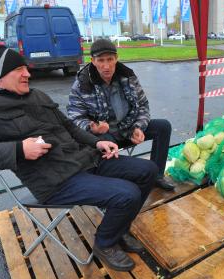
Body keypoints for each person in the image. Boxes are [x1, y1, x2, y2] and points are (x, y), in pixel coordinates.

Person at [0, 45, 158, 271]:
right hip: (55, 180)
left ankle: (119, 229)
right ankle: (105, 243)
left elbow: (69, 127)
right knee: (127, 194)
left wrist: (97, 142)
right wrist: (19, 149)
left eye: (26, 68)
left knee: (148, 171)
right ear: (0, 76)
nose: (27, 74)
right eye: (19, 69)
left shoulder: (37, 95)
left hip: (83, 159)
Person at [67, 39, 175, 191]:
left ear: (116, 58)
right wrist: (92, 128)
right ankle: (116, 189)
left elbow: (143, 105)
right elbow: (73, 118)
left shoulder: (128, 76)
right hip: (103, 135)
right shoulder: (82, 83)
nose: (106, 66)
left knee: (163, 126)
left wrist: (138, 127)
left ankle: (156, 176)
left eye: (110, 59)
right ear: (92, 61)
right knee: (105, 145)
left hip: (127, 129)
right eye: (101, 60)